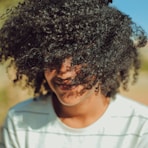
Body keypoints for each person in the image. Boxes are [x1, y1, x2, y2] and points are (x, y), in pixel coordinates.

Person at [0, 0, 148, 147]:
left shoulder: (140, 126)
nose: (64, 72)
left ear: (105, 58)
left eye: (80, 58)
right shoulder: (20, 121)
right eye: (53, 57)